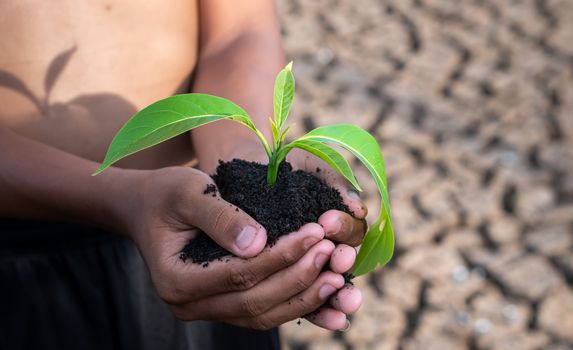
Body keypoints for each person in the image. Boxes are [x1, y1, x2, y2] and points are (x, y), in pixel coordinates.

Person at [0, 0, 368, 349]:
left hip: (196, 216)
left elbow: (237, 30)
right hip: (23, 257)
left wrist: (243, 155)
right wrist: (118, 195)